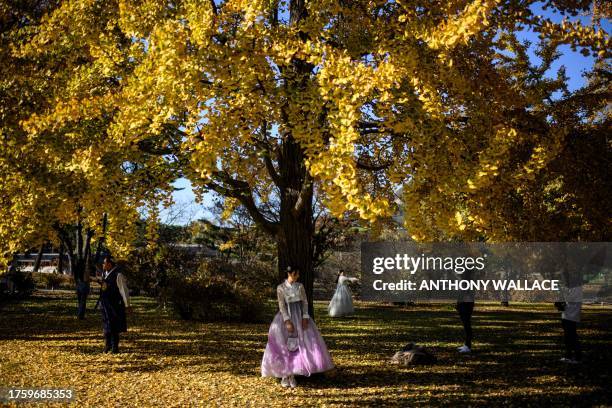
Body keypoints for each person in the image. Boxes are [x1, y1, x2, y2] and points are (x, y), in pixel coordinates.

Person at [261, 266, 334, 388]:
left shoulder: (300, 286)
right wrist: (287, 321)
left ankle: (293, 373)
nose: (298, 276)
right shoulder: (281, 288)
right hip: (286, 317)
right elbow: (281, 305)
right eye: (296, 274)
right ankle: (285, 374)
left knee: (301, 344)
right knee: (284, 344)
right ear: (291, 274)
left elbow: (305, 302)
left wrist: (305, 317)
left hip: (299, 316)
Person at [97, 256, 130, 353]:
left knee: (114, 325)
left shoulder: (118, 275)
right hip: (105, 304)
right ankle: (107, 346)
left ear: (109, 264)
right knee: (106, 325)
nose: (103, 265)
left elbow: (123, 290)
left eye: (104, 263)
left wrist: (127, 304)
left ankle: (115, 347)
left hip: (115, 304)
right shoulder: (104, 273)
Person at [558, 285, 582, 364]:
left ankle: (577, 357)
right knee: (567, 337)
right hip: (566, 315)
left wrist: (562, 293)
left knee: (572, 336)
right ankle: (569, 356)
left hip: (571, 316)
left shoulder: (576, 288)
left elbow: (570, 300)